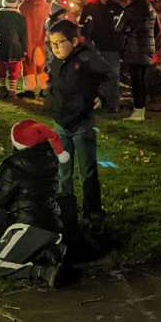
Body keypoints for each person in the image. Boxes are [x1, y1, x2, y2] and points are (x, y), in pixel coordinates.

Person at [46, 19, 115, 240]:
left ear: (74, 41)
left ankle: (93, 214)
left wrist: (101, 96)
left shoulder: (86, 58)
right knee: (62, 171)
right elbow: (53, 82)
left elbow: (109, 74)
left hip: (81, 124)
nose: (55, 48)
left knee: (87, 170)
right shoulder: (55, 61)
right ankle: (65, 212)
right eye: (52, 44)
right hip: (61, 124)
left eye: (60, 43)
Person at [0, 119, 70, 287]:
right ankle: (47, 253)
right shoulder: (49, 160)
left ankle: (41, 272)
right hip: (52, 223)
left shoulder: (14, 166)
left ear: (17, 143)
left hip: (29, 225)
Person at [79, 0, 125, 113]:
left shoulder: (117, 8)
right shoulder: (90, 8)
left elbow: (123, 27)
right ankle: (93, 101)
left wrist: (121, 45)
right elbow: (82, 28)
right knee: (94, 76)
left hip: (112, 48)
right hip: (95, 48)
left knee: (114, 76)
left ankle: (112, 105)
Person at [116, 0, 159, 121]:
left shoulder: (130, 10)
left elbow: (119, 29)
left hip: (134, 50)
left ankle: (138, 111)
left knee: (136, 81)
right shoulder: (150, 9)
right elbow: (157, 28)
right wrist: (150, 40)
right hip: (147, 49)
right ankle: (142, 110)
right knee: (142, 80)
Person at [0, 0, 28, 99]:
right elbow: (24, 33)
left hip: (1, 44)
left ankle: (3, 87)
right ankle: (12, 91)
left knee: (1, 67)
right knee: (14, 68)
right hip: (16, 46)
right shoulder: (19, 15)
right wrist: (24, 48)